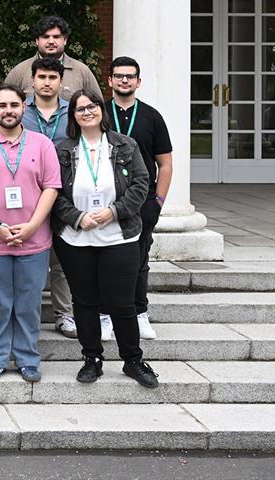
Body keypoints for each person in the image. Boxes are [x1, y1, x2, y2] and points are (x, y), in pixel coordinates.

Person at [52, 89, 158, 388]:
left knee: (121, 302)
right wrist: (76, 217)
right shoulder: (63, 150)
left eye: (92, 106)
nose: (87, 112)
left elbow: (141, 182)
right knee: (84, 302)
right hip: (76, 237)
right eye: (79, 109)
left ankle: (133, 360)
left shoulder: (126, 144)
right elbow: (53, 192)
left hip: (119, 235)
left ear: (101, 110)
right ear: (72, 116)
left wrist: (114, 211)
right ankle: (92, 359)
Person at [0, 83, 60, 383]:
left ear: (24, 107)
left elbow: (51, 188)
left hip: (35, 239)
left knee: (29, 303)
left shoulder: (42, 144)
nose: (8, 111)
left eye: (14, 105)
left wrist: (31, 226)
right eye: (2, 105)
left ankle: (29, 358)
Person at [107, 56, 173, 340]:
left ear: (138, 81)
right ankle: (105, 314)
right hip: (105, 201)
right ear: (109, 80)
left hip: (142, 201)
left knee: (138, 259)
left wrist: (157, 202)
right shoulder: (98, 113)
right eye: (119, 76)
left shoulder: (151, 116)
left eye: (130, 76)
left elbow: (165, 163)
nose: (124, 80)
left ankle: (139, 312)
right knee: (105, 259)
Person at [19, 57, 75, 338]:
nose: (47, 82)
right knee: (32, 256)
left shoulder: (72, 112)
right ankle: (29, 313)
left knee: (61, 258)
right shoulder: (21, 111)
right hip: (28, 193)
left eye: (53, 77)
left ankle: (64, 314)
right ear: (32, 80)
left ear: (61, 82)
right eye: (41, 77)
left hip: (65, 192)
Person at [3, 15, 102, 101]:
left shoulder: (82, 71)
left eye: (56, 37)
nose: (51, 41)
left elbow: (98, 107)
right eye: (45, 37)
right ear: (37, 41)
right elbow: (3, 105)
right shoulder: (19, 72)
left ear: (65, 40)